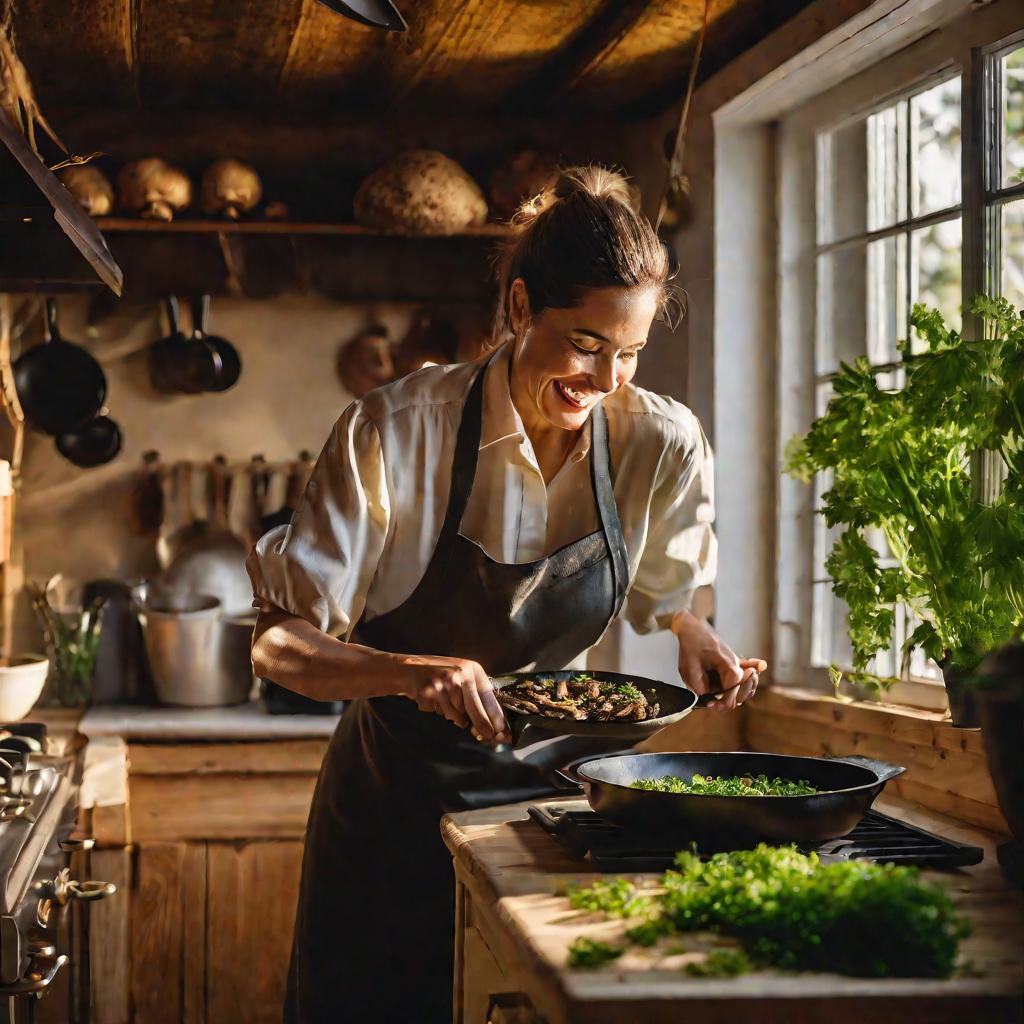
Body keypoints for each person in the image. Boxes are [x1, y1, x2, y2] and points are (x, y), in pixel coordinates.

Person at [247, 165, 766, 1024]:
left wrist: (694, 635)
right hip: (389, 815)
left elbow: (671, 594)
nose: (606, 380)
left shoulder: (661, 442)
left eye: (630, 351)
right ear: (521, 309)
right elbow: (277, 643)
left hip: (551, 821)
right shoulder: (394, 431)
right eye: (586, 344)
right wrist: (408, 671)